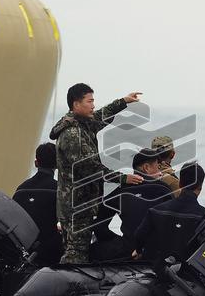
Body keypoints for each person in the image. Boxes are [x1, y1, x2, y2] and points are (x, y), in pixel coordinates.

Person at [50, 83, 143, 264]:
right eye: (89, 101)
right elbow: (90, 168)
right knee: (76, 253)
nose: (93, 105)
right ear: (76, 104)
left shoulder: (83, 124)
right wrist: (123, 178)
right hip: (76, 206)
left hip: (82, 203)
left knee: (78, 249)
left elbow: (101, 116)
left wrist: (123, 101)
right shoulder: (73, 134)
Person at [92, 149, 173, 262]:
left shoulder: (122, 191)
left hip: (129, 249)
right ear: (146, 168)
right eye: (158, 167)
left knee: (92, 250)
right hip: (157, 251)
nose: (161, 172)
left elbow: (99, 225)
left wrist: (115, 239)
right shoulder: (164, 189)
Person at [132, 162, 205, 268]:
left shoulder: (155, 210)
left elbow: (139, 235)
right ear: (200, 187)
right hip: (187, 272)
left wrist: (138, 250)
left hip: (157, 268)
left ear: (180, 183)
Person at [12, 143, 62, 267]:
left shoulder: (21, 189)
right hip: (48, 254)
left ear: (36, 163)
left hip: (21, 251)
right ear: (57, 164)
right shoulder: (60, 190)